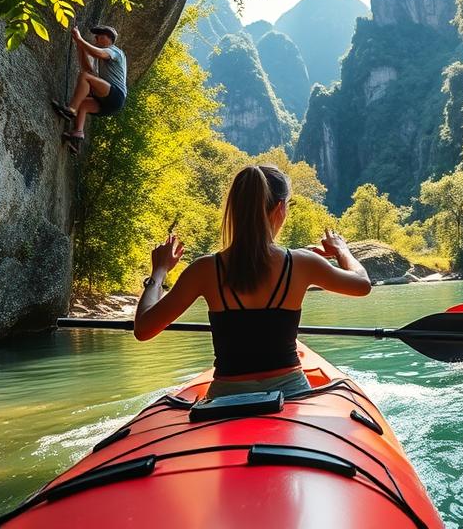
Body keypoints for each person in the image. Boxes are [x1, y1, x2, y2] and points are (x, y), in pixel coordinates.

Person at [133, 164, 371, 398]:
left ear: (235, 208)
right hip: (291, 393)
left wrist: (160, 271)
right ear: (280, 208)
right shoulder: (302, 263)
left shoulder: (204, 270)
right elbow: (362, 284)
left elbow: (144, 329)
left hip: (225, 396)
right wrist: (342, 250)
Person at [51, 24, 127, 151]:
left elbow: (96, 54)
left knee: (85, 77)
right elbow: (87, 68)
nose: (96, 39)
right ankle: (77, 134)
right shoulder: (104, 56)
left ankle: (71, 110)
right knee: (84, 103)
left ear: (109, 39)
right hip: (111, 105)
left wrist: (80, 39)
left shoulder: (114, 51)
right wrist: (79, 44)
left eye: (100, 36)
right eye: (96, 37)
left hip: (116, 95)